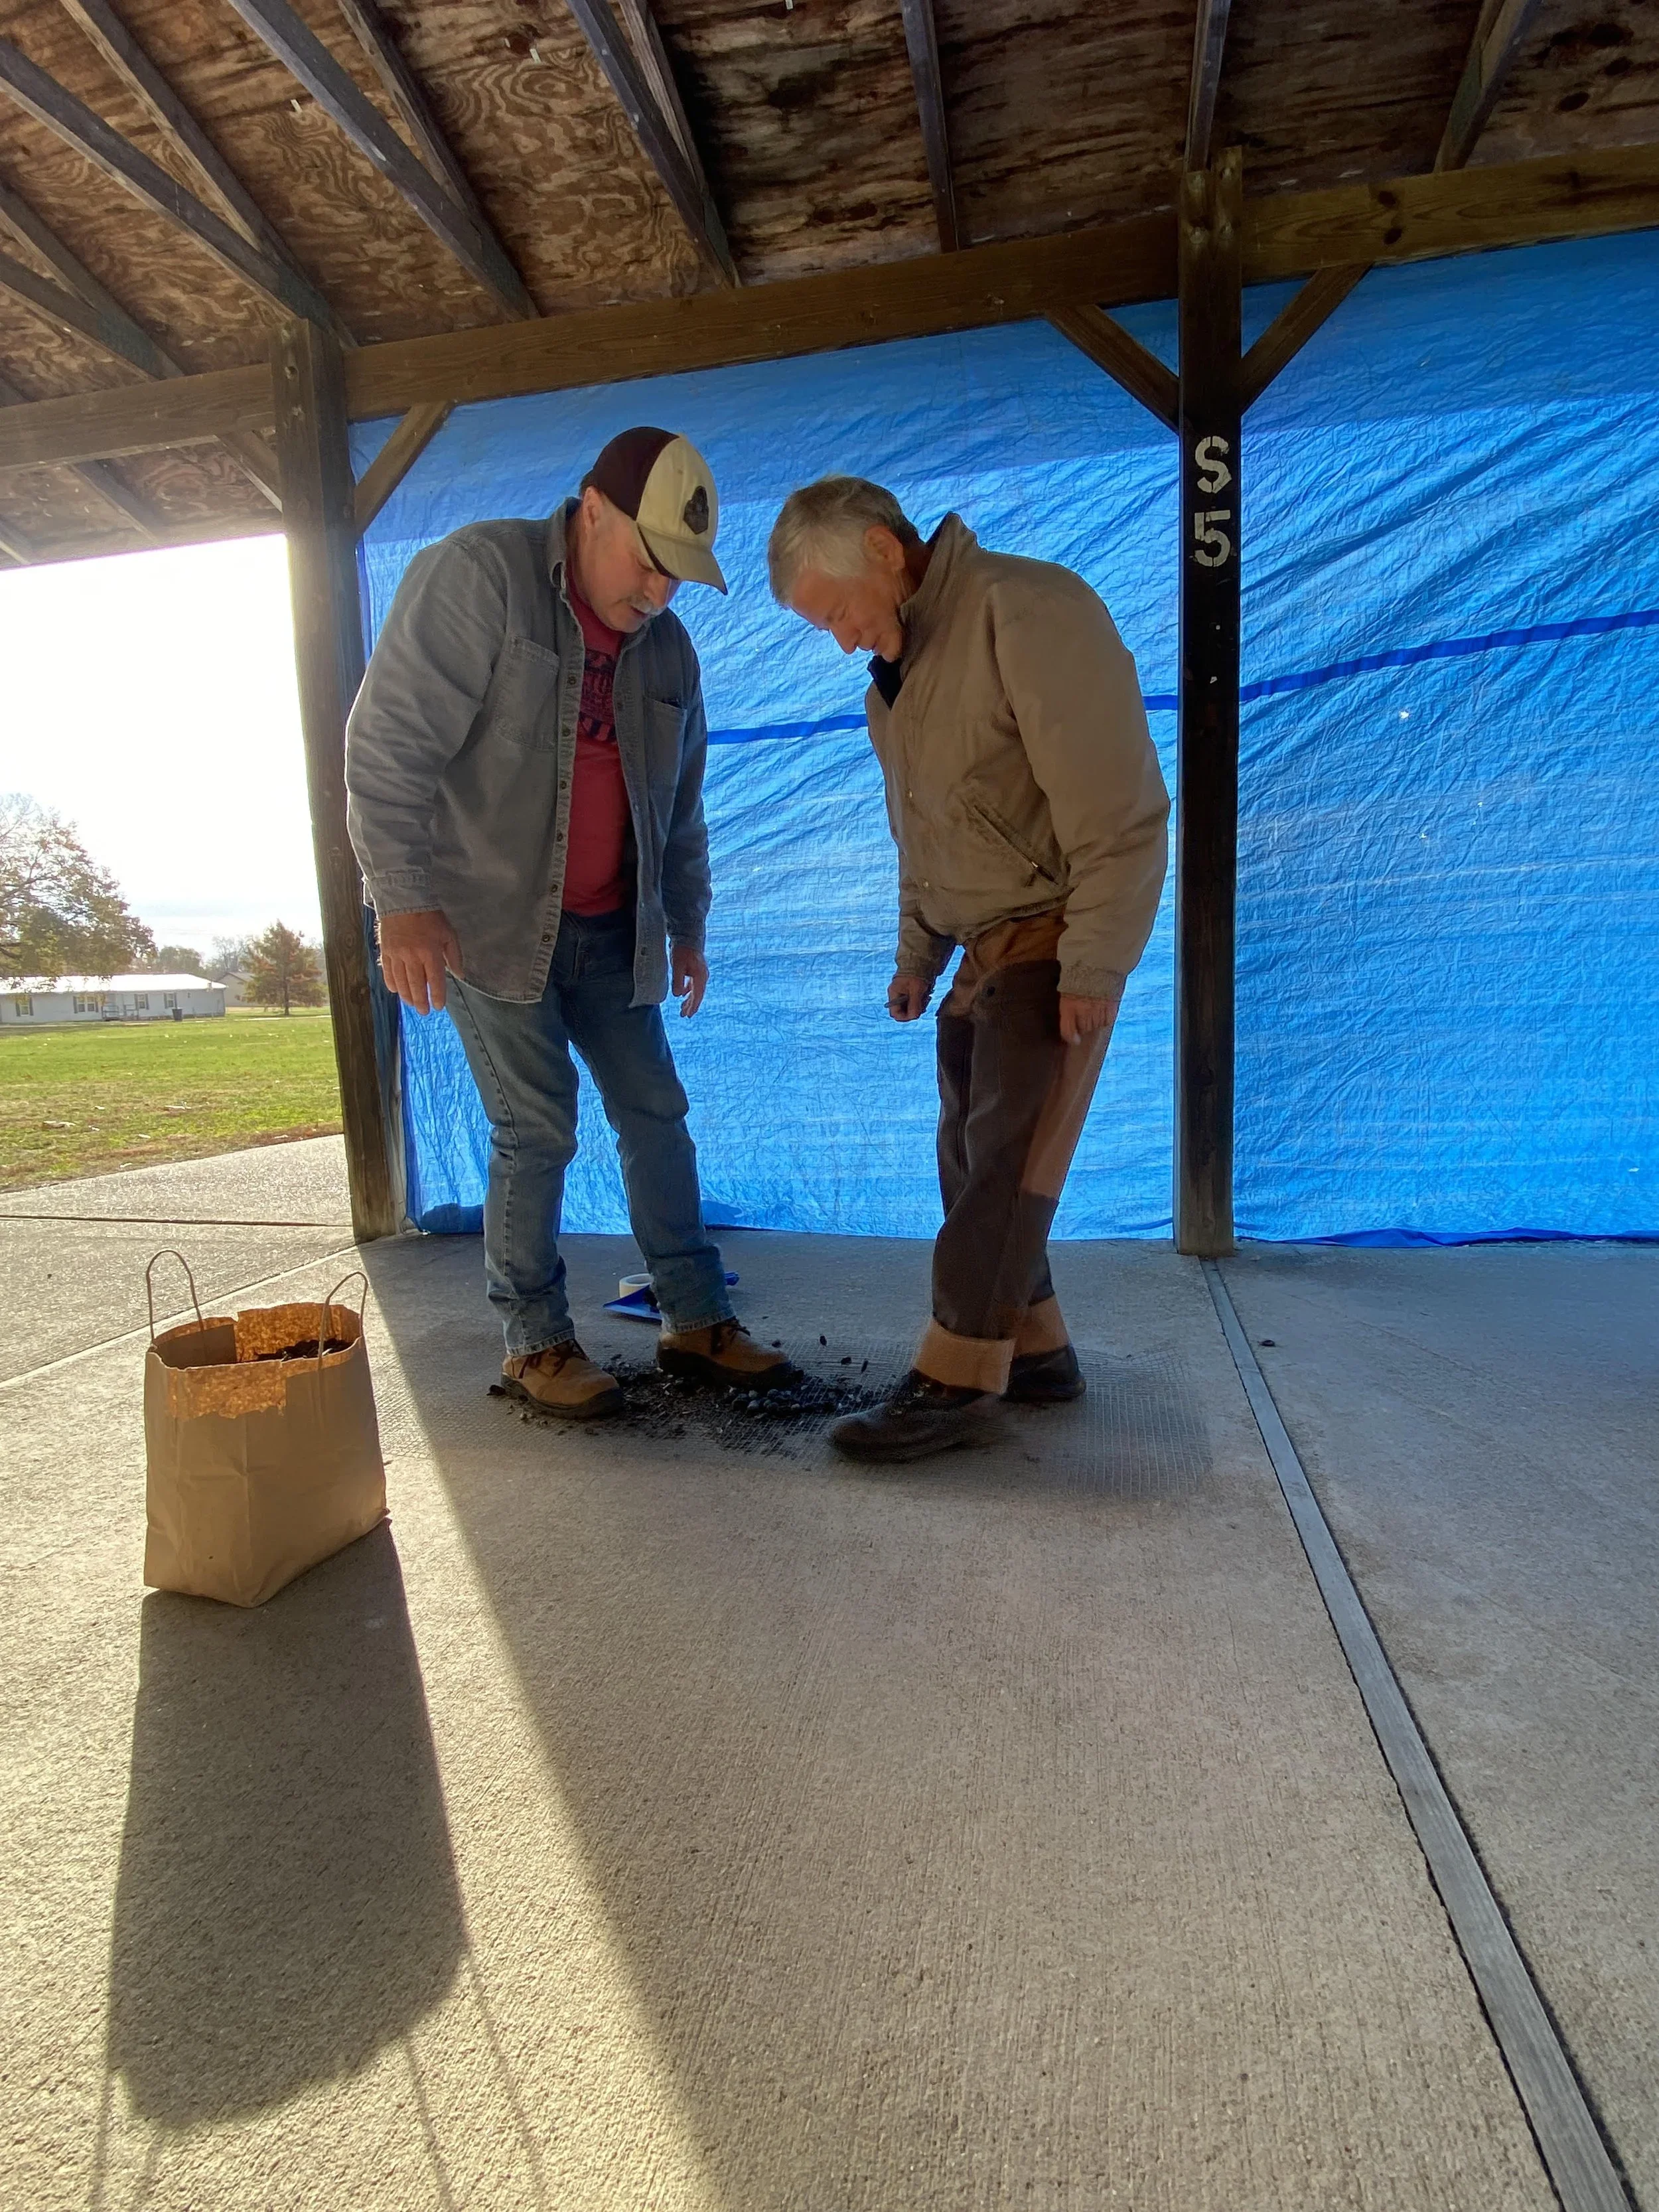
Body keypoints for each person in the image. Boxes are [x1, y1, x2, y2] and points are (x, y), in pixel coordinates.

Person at [346, 427, 800, 1419]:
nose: (658, 594)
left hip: (615, 931)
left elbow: (682, 808)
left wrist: (687, 924)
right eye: (648, 563)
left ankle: (694, 1318)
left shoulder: (669, 649)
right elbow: (387, 748)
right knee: (536, 1128)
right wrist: (403, 905)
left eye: (678, 576)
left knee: (657, 1115)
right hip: (489, 926)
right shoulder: (479, 580)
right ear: (592, 508)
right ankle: (536, 1342)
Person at [768, 476, 1169, 1463]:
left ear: (879, 548)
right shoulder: (891, 696)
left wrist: (1095, 961)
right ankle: (1036, 1351)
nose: (841, 640)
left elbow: (1118, 809)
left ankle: (953, 1378)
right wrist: (917, 957)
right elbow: (924, 843)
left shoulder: (1023, 610)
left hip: (1052, 935)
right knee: (966, 1157)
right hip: (976, 953)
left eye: (835, 612)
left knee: (1007, 1165)